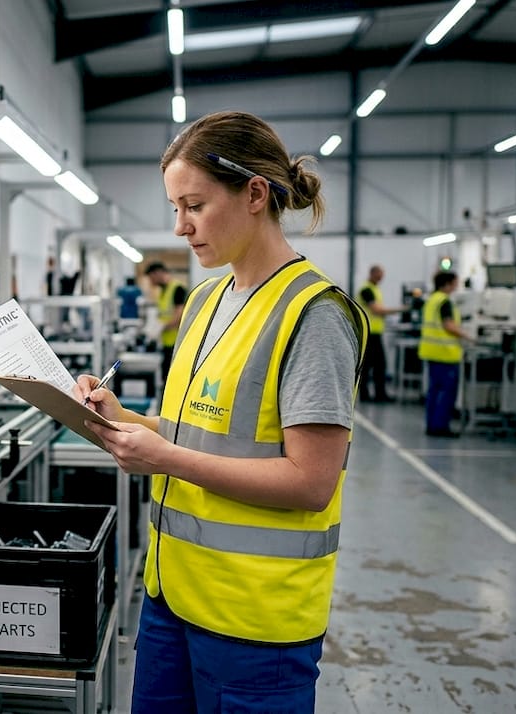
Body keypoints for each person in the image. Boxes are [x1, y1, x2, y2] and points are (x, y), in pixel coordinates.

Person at [75, 111, 368, 713]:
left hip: (254, 622)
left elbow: (311, 482)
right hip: (171, 597)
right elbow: (194, 434)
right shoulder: (205, 300)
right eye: (174, 208)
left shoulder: (313, 316)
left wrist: (164, 458)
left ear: (255, 193)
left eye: (194, 205)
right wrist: (124, 418)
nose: (180, 227)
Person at [419, 271, 470, 437]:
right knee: (446, 393)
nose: (457, 286)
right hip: (445, 354)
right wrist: (469, 337)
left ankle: (432, 425)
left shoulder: (432, 300)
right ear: (448, 284)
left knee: (434, 392)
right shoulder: (445, 302)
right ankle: (440, 426)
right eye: (455, 282)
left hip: (432, 352)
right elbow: (449, 325)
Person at [356, 264, 404, 402]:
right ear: (372, 274)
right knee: (375, 365)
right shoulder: (367, 290)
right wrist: (403, 309)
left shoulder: (374, 289)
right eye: (379, 275)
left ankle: (376, 393)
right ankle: (371, 394)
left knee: (375, 365)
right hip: (370, 334)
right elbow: (377, 310)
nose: (381, 278)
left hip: (374, 333)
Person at [144, 261, 187, 382]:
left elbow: (180, 315)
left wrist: (160, 327)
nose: (151, 282)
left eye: (151, 278)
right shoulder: (163, 291)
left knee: (172, 379)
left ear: (158, 273)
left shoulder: (177, 289)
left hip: (177, 343)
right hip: (167, 342)